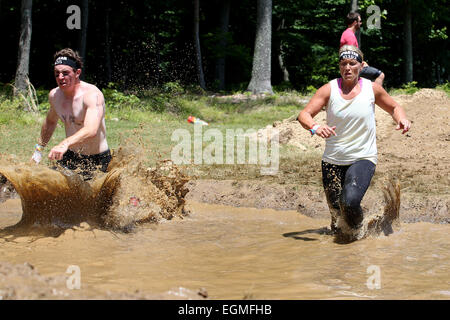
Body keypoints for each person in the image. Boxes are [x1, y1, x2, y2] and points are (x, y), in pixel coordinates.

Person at [298, 45, 411, 240]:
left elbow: (394, 107)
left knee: (349, 202)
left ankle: (360, 233)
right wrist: (315, 127)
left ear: (362, 65)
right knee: (337, 217)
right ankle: (345, 253)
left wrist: (401, 118)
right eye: (343, 64)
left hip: (362, 157)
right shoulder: (329, 89)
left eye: (352, 63)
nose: (347, 68)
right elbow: (304, 115)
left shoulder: (372, 89)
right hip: (332, 161)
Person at [32, 48, 111, 180]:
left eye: (65, 73)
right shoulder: (55, 95)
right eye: (57, 73)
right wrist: (38, 150)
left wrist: (64, 144)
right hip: (71, 156)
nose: (60, 77)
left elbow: (91, 130)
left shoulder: (92, 95)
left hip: (97, 160)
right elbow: (50, 122)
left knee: (86, 200)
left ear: (77, 73)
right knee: (44, 185)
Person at [340, 12, 385, 86]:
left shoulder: (346, 33)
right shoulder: (350, 36)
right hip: (353, 67)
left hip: (351, 65)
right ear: (355, 22)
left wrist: (362, 62)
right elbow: (351, 55)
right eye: (360, 21)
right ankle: (375, 96)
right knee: (380, 75)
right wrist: (361, 64)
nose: (361, 23)